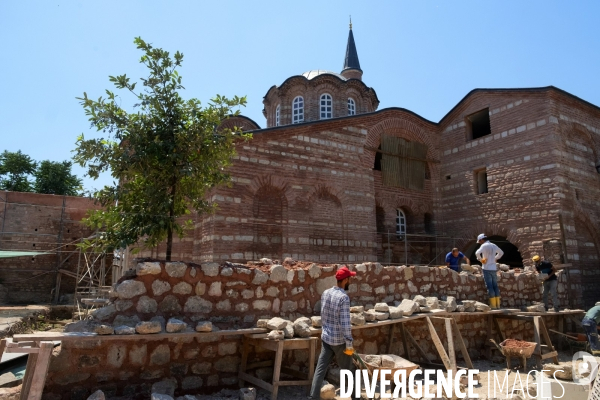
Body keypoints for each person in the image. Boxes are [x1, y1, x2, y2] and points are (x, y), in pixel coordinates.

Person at [310, 265, 360, 400]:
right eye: (349, 279)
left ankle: (313, 397)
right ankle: (355, 397)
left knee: (320, 370)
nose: (350, 281)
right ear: (345, 280)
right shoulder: (344, 298)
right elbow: (345, 323)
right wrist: (349, 343)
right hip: (340, 342)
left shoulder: (326, 293)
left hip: (326, 338)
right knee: (348, 369)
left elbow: (323, 315)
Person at [475, 234, 504, 309]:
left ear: (481, 240)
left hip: (486, 268)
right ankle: (498, 305)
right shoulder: (493, 245)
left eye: (479, 241)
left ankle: (493, 305)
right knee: (495, 286)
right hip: (493, 268)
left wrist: (481, 259)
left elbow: (477, 253)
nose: (480, 243)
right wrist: (495, 258)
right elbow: (501, 253)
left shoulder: (484, 246)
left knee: (490, 286)